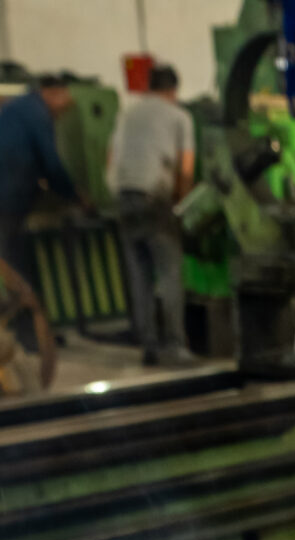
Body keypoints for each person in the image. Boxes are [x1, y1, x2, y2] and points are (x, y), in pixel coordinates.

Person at [106, 62, 195, 365]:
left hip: (124, 197)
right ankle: (176, 345)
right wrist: (182, 204)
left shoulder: (127, 114)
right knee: (169, 274)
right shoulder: (179, 117)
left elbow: (111, 157)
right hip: (154, 199)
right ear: (173, 90)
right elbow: (185, 168)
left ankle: (149, 345)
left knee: (139, 274)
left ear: (149, 87)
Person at [0, 71, 77, 296]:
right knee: (13, 266)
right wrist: (74, 195)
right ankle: (23, 314)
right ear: (53, 93)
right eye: (65, 103)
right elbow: (51, 164)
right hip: (3, 197)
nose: (64, 112)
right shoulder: (36, 113)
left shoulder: (19, 107)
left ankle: (22, 310)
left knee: (10, 258)